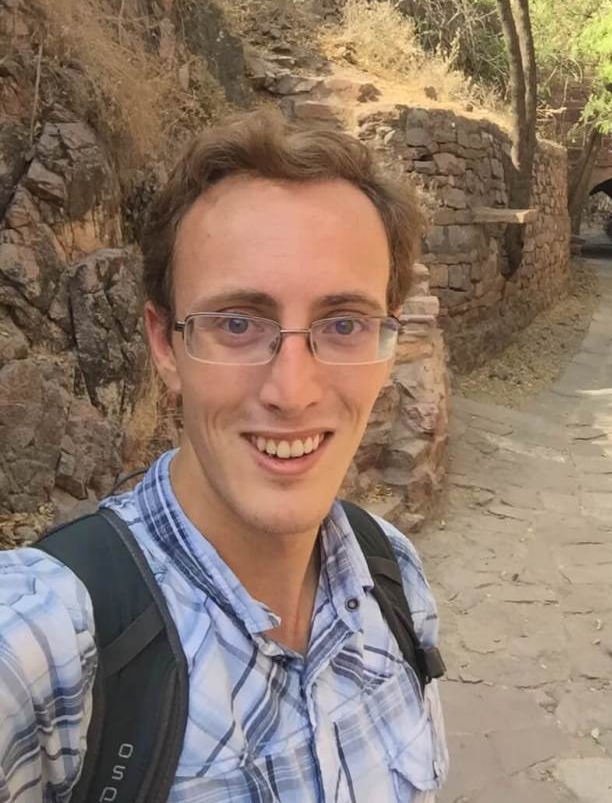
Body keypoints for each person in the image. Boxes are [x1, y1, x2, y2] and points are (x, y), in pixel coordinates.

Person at [0, 109, 448, 801]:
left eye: (343, 324)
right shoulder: (46, 650)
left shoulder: (393, 578)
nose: (292, 391)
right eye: (238, 323)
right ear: (163, 344)